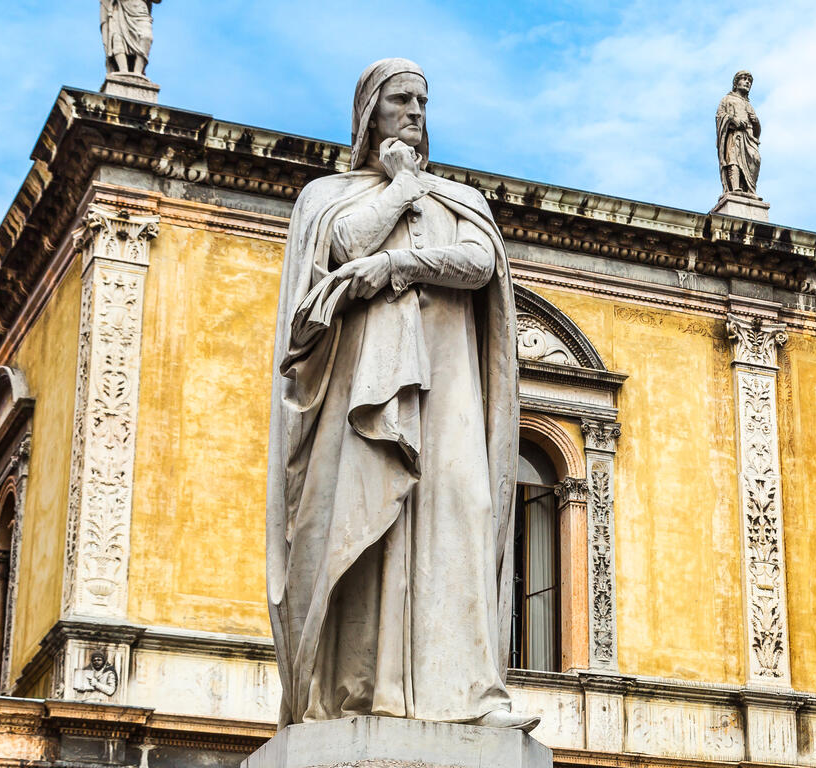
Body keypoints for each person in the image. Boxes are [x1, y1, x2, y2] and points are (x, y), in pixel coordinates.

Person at [264, 58, 531, 730]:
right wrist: (402, 185)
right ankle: (360, 694)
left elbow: (478, 264)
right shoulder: (328, 197)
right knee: (366, 523)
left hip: (449, 394)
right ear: (369, 114)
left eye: (422, 101)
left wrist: (396, 265)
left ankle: (468, 692)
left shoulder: (459, 201)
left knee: (462, 513)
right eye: (400, 100)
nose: (415, 112)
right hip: (362, 395)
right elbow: (345, 243)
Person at [716, 71, 762, 196]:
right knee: (733, 159)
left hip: (749, 137)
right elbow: (720, 116)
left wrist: (756, 122)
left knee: (755, 159)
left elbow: (757, 131)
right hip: (734, 135)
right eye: (744, 79)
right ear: (736, 83)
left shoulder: (748, 105)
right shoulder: (727, 99)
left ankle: (750, 189)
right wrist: (732, 119)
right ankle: (735, 188)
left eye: (749, 81)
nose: (747, 82)